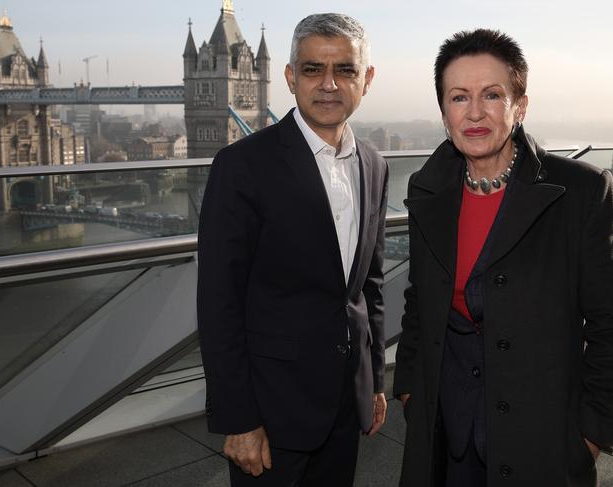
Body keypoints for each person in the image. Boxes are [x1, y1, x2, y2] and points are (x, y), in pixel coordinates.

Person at [393, 28, 613, 487]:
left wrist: (590, 434)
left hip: (543, 439)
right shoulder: (427, 189)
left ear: (520, 106)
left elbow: (609, 325)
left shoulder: (581, 193)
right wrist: (411, 391)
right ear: (443, 111)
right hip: (444, 430)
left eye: (492, 95)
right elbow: (420, 301)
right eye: (458, 97)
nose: (474, 113)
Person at [197, 13, 389, 486]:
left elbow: (369, 285)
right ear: (289, 77)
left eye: (344, 70)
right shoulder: (241, 166)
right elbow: (218, 303)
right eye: (311, 70)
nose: (328, 84)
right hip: (270, 412)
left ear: (366, 80)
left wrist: (375, 380)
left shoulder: (375, 165)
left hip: (346, 402)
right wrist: (237, 418)